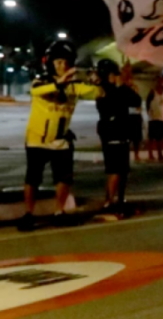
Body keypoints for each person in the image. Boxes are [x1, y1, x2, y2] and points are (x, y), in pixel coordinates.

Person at [18, 41, 101, 232]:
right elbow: (36, 91)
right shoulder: (42, 81)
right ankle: (28, 213)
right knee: (32, 178)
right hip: (37, 139)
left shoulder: (74, 87)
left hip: (61, 140)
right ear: (50, 63)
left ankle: (59, 211)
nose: (62, 65)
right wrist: (58, 83)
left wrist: (99, 81)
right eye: (58, 62)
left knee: (63, 178)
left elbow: (96, 92)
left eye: (65, 62)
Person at [95, 59, 142, 211]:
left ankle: (119, 199)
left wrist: (125, 86)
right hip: (113, 133)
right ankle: (109, 202)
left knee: (122, 170)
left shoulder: (112, 90)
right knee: (115, 170)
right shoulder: (105, 91)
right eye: (115, 74)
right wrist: (124, 86)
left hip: (119, 132)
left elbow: (136, 101)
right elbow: (134, 100)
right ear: (110, 75)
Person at [120, 62, 144, 162]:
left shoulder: (134, 88)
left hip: (135, 116)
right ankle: (125, 156)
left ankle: (136, 155)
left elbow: (138, 102)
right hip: (127, 116)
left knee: (136, 138)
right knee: (126, 138)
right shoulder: (122, 88)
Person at [146, 76, 163, 162]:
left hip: (161, 118)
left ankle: (160, 154)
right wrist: (149, 113)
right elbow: (147, 103)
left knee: (160, 137)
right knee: (151, 138)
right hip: (153, 118)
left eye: (162, 82)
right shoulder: (152, 92)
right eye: (159, 82)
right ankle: (150, 154)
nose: (160, 84)